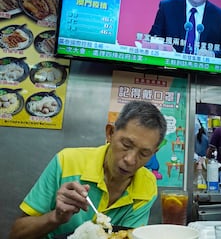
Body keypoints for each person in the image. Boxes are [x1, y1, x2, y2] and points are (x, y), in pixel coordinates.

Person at [9, 101, 167, 239]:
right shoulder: (66, 162)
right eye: (126, 145)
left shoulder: (147, 184)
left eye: (144, 153)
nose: (130, 160)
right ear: (110, 133)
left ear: (154, 153)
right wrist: (56, 217)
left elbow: (127, 235)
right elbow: (16, 234)